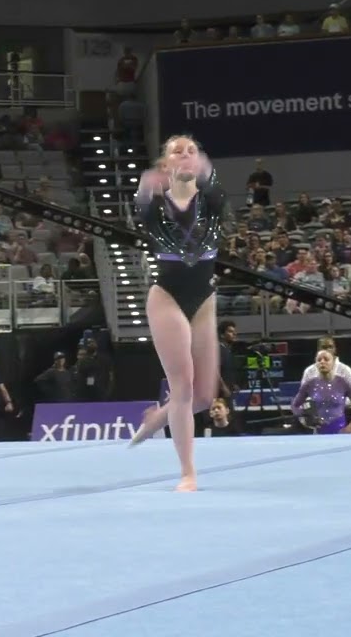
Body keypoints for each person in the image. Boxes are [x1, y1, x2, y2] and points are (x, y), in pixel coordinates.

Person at [128, 135, 227, 493]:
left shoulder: (213, 201)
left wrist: (197, 164)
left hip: (203, 297)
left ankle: (157, 417)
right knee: (182, 385)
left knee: (204, 395)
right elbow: (140, 203)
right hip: (167, 295)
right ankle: (188, 473)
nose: (186, 156)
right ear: (165, 163)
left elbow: (211, 178)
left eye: (192, 151)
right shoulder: (154, 205)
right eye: (176, 151)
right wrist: (150, 178)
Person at [291, 349, 351, 434]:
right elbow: (294, 405)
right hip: (319, 433)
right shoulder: (309, 384)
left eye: (326, 359)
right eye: (319, 360)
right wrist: (305, 416)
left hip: (341, 432)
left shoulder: (343, 382)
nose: (322, 362)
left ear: (333, 362)